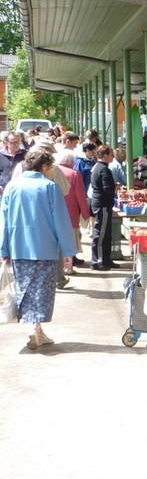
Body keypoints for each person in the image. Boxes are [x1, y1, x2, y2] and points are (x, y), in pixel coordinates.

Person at [0, 147, 78, 348]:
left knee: (24, 288)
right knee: (42, 290)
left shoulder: (12, 187)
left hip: (18, 247)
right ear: (44, 166)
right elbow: (61, 221)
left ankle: (34, 328)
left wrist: (3, 249)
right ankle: (36, 328)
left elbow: (4, 220)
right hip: (46, 247)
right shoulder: (49, 187)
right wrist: (68, 250)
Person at [55, 149, 90, 270]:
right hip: (71, 210)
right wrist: (86, 213)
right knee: (72, 235)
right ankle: (71, 260)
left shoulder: (52, 171)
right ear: (70, 161)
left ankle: (62, 261)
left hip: (55, 210)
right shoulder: (74, 174)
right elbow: (80, 195)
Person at [89, 145, 117, 270]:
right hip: (103, 204)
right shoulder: (104, 170)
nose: (113, 156)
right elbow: (107, 189)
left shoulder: (97, 167)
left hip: (101, 203)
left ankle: (106, 258)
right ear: (105, 155)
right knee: (101, 233)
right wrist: (115, 188)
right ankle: (98, 261)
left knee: (106, 232)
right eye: (111, 154)